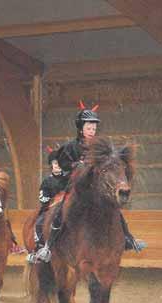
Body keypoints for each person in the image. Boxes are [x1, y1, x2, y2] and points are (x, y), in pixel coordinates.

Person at [36, 101, 145, 263]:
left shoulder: (100, 148)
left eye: (94, 128)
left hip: (96, 190)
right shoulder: (70, 147)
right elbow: (63, 165)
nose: (92, 131)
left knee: (115, 208)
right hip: (76, 189)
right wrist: (76, 165)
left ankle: (129, 239)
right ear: (80, 128)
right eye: (89, 128)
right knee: (60, 211)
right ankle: (47, 247)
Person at [27, 148, 69, 264]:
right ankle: (40, 247)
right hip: (50, 208)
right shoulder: (47, 181)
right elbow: (42, 196)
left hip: (66, 208)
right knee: (40, 222)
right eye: (55, 163)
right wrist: (52, 201)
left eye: (60, 163)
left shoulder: (68, 179)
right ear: (51, 164)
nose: (57, 165)